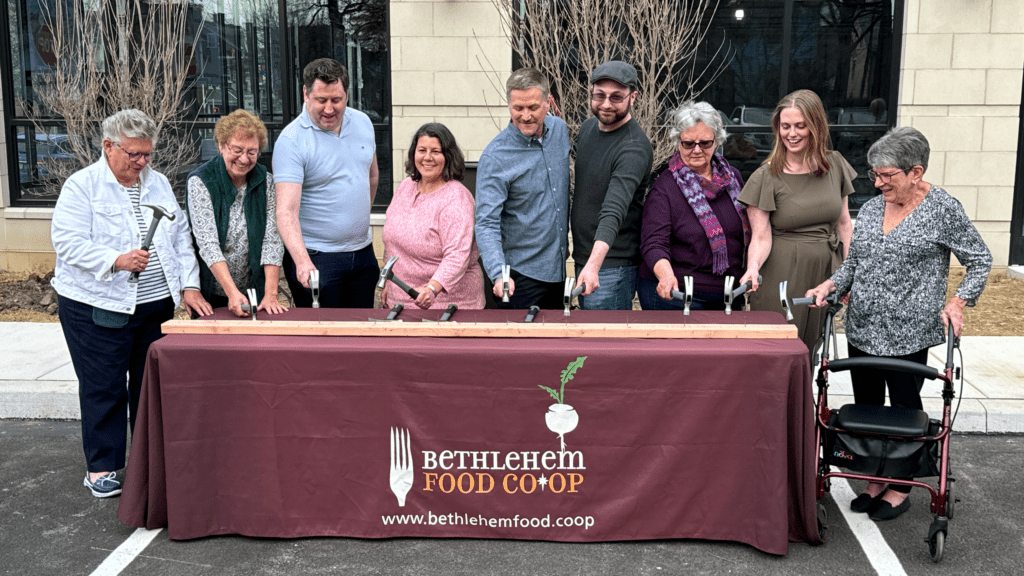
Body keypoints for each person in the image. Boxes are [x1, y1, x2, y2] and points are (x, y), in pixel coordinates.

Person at [806, 127, 991, 521]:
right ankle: (875, 476)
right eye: (875, 174)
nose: (877, 182)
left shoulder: (943, 208)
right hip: (864, 325)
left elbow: (980, 259)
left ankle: (902, 483)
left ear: (915, 172)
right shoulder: (873, 208)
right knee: (868, 406)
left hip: (909, 331)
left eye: (887, 175)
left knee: (905, 409)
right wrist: (831, 283)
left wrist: (959, 302)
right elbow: (855, 264)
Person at [50, 109, 213, 498]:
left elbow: (179, 238)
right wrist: (115, 260)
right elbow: (66, 241)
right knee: (104, 386)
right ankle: (102, 468)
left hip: (153, 305)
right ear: (108, 146)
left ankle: (147, 460)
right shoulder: (82, 186)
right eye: (133, 154)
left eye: (147, 155)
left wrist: (189, 285)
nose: (141, 163)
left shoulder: (156, 185)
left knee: (146, 385)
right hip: (97, 304)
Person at [738, 89, 854, 351]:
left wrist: (848, 274)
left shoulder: (835, 165)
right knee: (777, 350)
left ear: (816, 126)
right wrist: (753, 267)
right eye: (785, 126)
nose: (792, 134)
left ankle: (804, 394)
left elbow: (844, 223)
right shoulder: (765, 177)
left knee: (812, 347)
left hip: (825, 272)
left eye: (801, 126)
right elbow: (760, 235)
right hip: (782, 274)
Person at [273, 58, 379, 308]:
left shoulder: (363, 122)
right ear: (306, 94)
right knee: (323, 341)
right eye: (321, 100)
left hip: (363, 255)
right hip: (317, 259)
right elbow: (285, 211)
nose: (329, 109)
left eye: (336, 100)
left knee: (361, 337)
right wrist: (301, 260)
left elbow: (372, 176)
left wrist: (355, 218)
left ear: (347, 95)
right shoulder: (291, 141)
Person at [639, 101, 750, 311]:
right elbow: (653, 242)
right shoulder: (665, 187)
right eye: (689, 143)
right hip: (679, 296)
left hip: (729, 294)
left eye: (705, 143)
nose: (697, 150)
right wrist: (665, 275)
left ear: (716, 141)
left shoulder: (733, 179)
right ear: (678, 142)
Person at [475, 68, 571, 309]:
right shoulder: (495, 157)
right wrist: (498, 273)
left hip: (558, 270)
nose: (526, 116)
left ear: (548, 103)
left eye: (533, 107)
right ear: (509, 106)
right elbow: (486, 222)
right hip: (519, 277)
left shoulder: (559, 131)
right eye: (518, 108)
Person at [186, 110, 287, 317]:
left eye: (252, 152)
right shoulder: (201, 181)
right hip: (211, 289)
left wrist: (270, 294)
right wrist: (232, 293)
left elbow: (272, 241)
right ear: (222, 146)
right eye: (237, 150)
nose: (244, 159)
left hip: (253, 288)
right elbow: (208, 243)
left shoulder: (266, 181)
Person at [571, 61, 653, 310]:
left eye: (616, 97)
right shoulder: (587, 129)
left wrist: (593, 266)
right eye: (600, 95)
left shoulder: (633, 147)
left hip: (610, 268)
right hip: (585, 260)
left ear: (633, 97)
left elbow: (613, 210)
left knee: (604, 346)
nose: (606, 104)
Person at [381, 123, 484, 309]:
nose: (427, 158)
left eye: (436, 151)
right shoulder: (405, 187)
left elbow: (457, 255)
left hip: (447, 306)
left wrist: (432, 288)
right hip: (401, 302)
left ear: (448, 156)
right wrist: (389, 281)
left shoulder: (456, 198)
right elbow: (391, 241)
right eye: (422, 150)